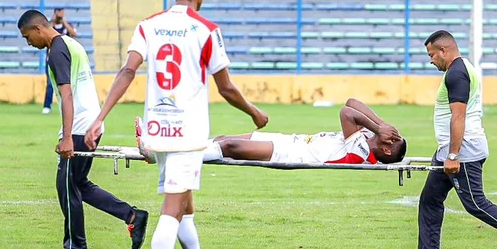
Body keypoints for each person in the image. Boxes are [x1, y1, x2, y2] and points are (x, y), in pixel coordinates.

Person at [88, 0, 268, 249]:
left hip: (157, 132)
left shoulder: (149, 26)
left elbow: (128, 70)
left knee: (185, 207)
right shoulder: (206, 30)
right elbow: (226, 87)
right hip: (186, 135)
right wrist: (254, 113)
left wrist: (100, 117)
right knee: (172, 209)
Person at [403, 30, 497, 249]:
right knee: (430, 199)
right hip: (449, 150)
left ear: (444, 51)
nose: (430, 60)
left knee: (476, 204)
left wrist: (453, 155)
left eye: (432, 55)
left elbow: (458, 117)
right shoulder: (461, 68)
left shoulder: (457, 74)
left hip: (462, 151)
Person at [17, 9, 149, 249]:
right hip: (91, 123)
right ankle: (132, 216)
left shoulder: (56, 50)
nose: (28, 42)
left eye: (27, 37)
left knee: (67, 187)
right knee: (77, 184)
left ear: (37, 29)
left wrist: (66, 136)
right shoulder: (72, 44)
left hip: (79, 127)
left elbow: (67, 95)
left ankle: (76, 248)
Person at [168, 98, 405, 166]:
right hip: (291, 141)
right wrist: (381, 125)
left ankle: (170, 155)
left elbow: (346, 112)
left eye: (392, 139)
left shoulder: (362, 152)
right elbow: (353, 102)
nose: (389, 134)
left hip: (291, 154)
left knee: (230, 147)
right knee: (222, 140)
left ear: (385, 149)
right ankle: (175, 146)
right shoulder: (365, 136)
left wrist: (377, 128)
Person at [42, 8, 78, 114]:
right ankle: (47, 106)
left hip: (65, 59)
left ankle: (70, 105)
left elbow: (74, 34)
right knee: (50, 83)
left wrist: (64, 22)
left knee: (68, 83)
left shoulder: (67, 26)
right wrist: (53, 21)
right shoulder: (50, 26)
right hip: (51, 59)